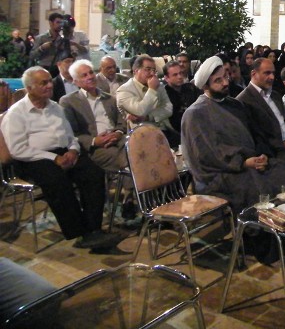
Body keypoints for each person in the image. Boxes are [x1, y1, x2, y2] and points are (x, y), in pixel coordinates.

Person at [1, 66, 121, 250]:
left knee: (93, 173)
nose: (50, 85)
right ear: (30, 88)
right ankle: (80, 232)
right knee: (57, 180)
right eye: (44, 83)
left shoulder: (55, 107)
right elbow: (18, 150)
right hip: (32, 158)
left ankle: (93, 228)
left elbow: (70, 136)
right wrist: (53, 158)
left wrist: (73, 150)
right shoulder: (16, 113)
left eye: (50, 81)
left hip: (63, 151)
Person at [181, 56, 285, 214]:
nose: (225, 83)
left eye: (225, 77)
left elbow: (255, 135)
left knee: (283, 175)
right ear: (205, 86)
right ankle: (260, 227)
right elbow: (208, 155)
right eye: (218, 80)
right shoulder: (196, 114)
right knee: (258, 188)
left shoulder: (235, 105)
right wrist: (243, 163)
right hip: (220, 174)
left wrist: (261, 156)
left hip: (248, 162)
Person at [59, 59, 127, 175]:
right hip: (95, 148)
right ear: (76, 82)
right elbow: (71, 133)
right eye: (84, 75)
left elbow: (121, 122)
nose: (90, 77)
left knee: (141, 147)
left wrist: (118, 133)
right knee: (129, 157)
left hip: (118, 139)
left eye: (91, 72)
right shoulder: (68, 102)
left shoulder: (110, 98)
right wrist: (94, 141)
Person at [116, 54, 179, 148]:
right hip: (141, 135)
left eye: (154, 70)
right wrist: (152, 90)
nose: (152, 73)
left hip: (164, 129)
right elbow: (140, 111)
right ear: (136, 71)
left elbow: (168, 108)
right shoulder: (124, 90)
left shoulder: (158, 86)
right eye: (148, 69)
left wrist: (149, 117)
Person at [163, 60, 201, 134]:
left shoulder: (191, 88)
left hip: (198, 126)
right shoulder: (164, 95)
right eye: (175, 75)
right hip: (177, 133)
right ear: (166, 78)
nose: (180, 77)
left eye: (181, 73)